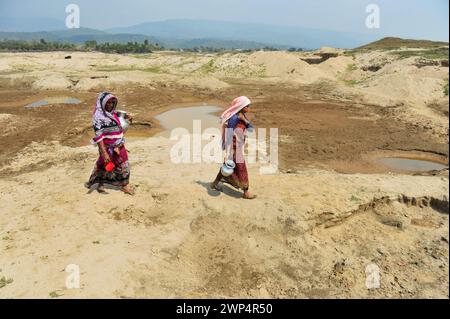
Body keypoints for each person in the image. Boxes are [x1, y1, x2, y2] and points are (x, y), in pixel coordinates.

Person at [85, 92, 134, 195]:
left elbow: (121, 120)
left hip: (119, 146)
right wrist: (104, 152)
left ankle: (125, 185)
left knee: (124, 164)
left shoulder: (113, 113)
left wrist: (127, 118)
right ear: (102, 103)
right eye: (108, 103)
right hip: (106, 148)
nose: (110, 105)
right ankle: (100, 184)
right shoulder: (98, 118)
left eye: (112, 102)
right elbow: (99, 137)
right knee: (104, 165)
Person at [211, 96, 257, 200]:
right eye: (247, 106)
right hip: (234, 147)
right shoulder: (233, 118)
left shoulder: (242, 116)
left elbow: (251, 130)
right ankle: (246, 191)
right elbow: (229, 133)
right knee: (241, 168)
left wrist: (244, 120)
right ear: (241, 106)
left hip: (238, 147)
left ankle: (215, 183)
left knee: (227, 166)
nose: (248, 108)